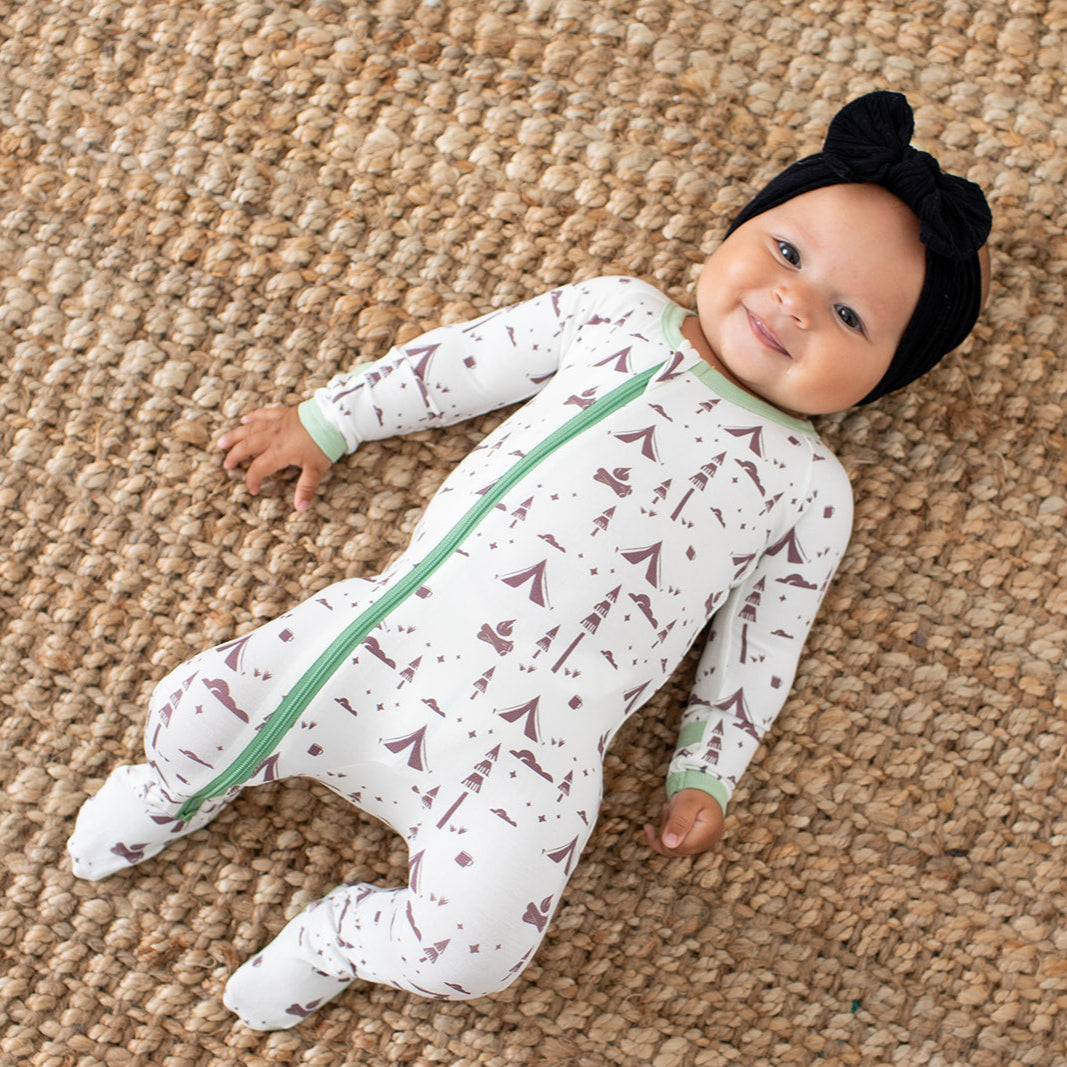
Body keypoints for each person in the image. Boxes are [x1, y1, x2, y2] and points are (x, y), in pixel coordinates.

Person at [67, 92, 991, 1029]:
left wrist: (707, 771)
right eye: (786, 252)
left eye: (846, 314)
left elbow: (761, 644)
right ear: (742, 226)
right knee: (197, 709)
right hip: (388, 646)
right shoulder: (619, 318)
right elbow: (464, 364)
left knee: (479, 950)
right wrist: (329, 419)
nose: (792, 301)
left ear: (885, 378)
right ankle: (169, 788)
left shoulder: (808, 486)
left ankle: (337, 936)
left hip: (532, 754)